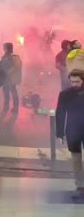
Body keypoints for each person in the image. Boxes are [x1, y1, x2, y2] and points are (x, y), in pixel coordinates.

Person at [56, 69, 84, 199]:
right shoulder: (65, 94)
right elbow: (60, 113)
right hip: (73, 130)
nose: (74, 84)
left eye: (77, 82)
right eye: (72, 82)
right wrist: (60, 133)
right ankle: (80, 186)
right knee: (76, 160)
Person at [1, 43, 22, 114]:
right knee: (6, 93)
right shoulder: (5, 56)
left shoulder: (14, 56)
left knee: (13, 93)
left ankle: (15, 108)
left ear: (7, 48)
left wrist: (8, 72)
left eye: (3, 47)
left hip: (10, 79)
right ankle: (6, 106)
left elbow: (17, 66)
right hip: (6, 78)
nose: (2, 48)